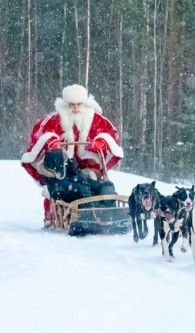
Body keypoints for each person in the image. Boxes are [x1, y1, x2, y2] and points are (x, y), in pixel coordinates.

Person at [21, 84, 124, 227]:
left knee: (97, 184)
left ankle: (102, 208)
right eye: (71, 105)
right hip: (62, 167)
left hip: (86, 168)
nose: (75, 108)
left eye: (79, 104)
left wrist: (101, 142)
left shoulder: (95, 119)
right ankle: (54, 214)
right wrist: (52, 142)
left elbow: (110, 134)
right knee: (66, 187)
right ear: (65, 104)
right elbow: (41, 135)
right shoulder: (54, 121)